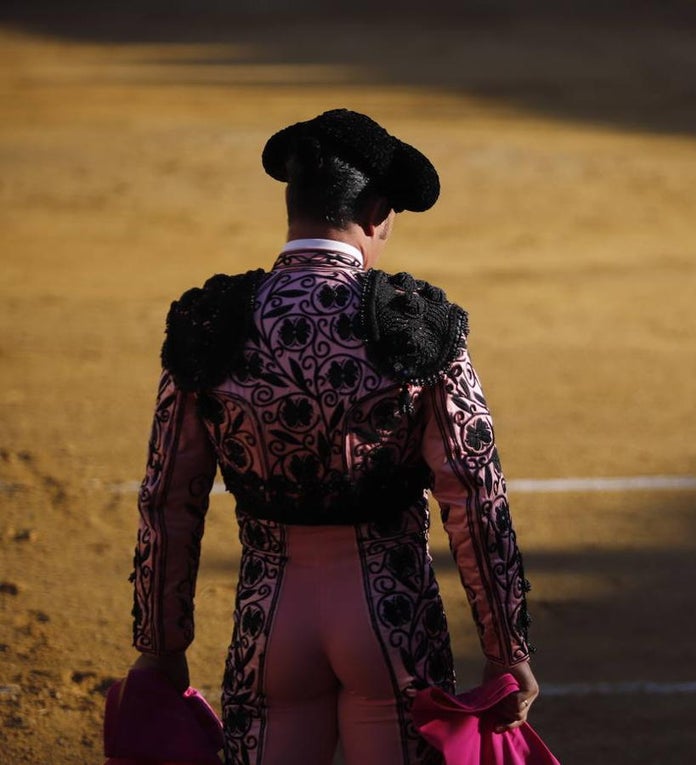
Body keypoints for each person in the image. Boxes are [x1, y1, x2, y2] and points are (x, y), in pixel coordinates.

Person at [128, 109, 538, 765]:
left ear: (294, 204)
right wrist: (505, 648)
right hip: (391, 617)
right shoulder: (416, 326)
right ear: (377, 211)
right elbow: (476, 494)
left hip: (270, 617)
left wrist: (160, 644)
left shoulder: (215, 322)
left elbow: (167, 495)